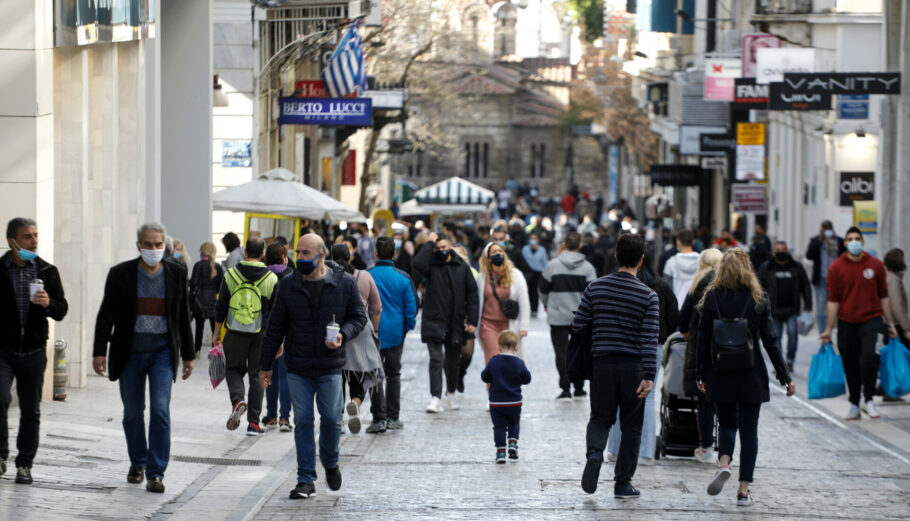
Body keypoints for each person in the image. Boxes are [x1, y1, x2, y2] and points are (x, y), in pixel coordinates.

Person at [259, 233, 366, 500]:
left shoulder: (343, 282)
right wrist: (265, 365)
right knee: (303, 421)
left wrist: (344, 334)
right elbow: (275, 327)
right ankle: (305, 479)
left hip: (331, 364)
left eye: (306, 253)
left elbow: (359, 316)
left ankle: (330, 461)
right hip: (298, 365)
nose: (300, 258)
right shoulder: (288, 285)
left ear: (321, 255)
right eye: (298, 253)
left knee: (331, 418)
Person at [92, 222, 194, 493]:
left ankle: (155, 472)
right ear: (139, 246)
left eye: (158, 244)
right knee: (132, 413)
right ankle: (138, 461)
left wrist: (189, 355)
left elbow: (183, 316)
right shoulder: (120, 274)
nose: (153, 249)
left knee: (160, 411)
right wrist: (99, 351)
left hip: (162, 352)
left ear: (165, 246)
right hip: (130, 353)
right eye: (148, 244)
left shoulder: (176, 273)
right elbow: (106, 314)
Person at [697, 248, 795, 507]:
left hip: (719, 372)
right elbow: (771, 341)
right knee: (750, 431)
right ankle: (743, 492)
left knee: (727, 424)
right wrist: (784, 377)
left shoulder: (712, 297)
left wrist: (700, 373)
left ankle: (724, 463)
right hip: (750, 373)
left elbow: (703, 339)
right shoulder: (758, 298)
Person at [575, 233, 658, 498]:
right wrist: (649, 374)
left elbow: (578, 324)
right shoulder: (648, 296)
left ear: (616, 256)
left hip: (602, 363)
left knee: (600, 417)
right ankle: (623, 483)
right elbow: (649, 338)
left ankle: (596, 453)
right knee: (631, 425)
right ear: (641, 260)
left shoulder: (595, 288)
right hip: (633, 367)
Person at [0, 218, 68, 485]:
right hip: (2, 349)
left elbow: (62, 310)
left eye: (36, 235)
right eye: (27, 237)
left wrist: (49, 303)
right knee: (0, 400)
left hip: (34, 350)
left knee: (31, 410)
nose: (34, 241)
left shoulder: (48, 271)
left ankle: (24, 464)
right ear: (12, 242)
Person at [605, 249, 677, 466]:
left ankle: (616, 450)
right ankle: (645, 452)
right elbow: (674, 316)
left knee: (619, 397)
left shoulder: (612, 284)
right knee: (648, 397)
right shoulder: (660, 286)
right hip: (653, 344)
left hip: (623, 344)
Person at [819, 227, 900, 420]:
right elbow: (833, 301)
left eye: (857, 238)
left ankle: (869, 399)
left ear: (863, 242)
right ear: (845, 243)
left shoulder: (875, 265)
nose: (854, 241)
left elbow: (884, 297)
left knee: (869, 359)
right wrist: (829, 329)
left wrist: (891, 324)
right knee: (851, 363)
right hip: (846, 322)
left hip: (872, 321)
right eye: (850, 239)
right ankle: (854, 403)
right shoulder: (836, 267)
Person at [213, 237, 279, 436]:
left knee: (233, 369)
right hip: (262, 334)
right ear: (262, 254)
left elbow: (221, 305)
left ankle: (237, 400)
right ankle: (254, 424)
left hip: (234, 331)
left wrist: (217, 331)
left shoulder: (231, 274)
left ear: (245, 252)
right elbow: (276, 312)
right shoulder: (271, 278)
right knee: (257, 375)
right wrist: (278, 339)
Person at [412, 232, 479, 413]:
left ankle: (451, 392)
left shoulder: (462, 267)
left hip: (456, 321)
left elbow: (472, 295)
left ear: (449, 246)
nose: (441, 251)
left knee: (452, 360)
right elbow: (417, 264)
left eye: (444, 247)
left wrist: (472, 320)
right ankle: (435, 397)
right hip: (434, 319)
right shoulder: (431, 265)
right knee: (436, 359)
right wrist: (429, 243)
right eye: (437, 248)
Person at [329, 245, 384, 435]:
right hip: (361, 331)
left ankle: (340, 421)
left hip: (335, 331)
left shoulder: (328, 275)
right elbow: (376, 308)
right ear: (350, 257)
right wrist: (374, 330)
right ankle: (356, 403)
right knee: (360, 375)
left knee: (337, 378)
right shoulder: (365, 277)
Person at [539, 231, 597, 400]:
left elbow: (542, 289)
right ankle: (579, 386)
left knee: (561, 352)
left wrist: (546, 303)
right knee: (580, 351)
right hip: (581, 316)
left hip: (557, 314)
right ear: (579, 245)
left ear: (563, 244)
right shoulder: (588, 268)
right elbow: (593, 293)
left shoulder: (552, 266)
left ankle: (565, 388)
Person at [678, 248, 723, 464]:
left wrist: (687, 333)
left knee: (704, 399)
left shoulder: (697, 286)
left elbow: (683, 318)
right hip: (727, 349)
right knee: (725, 400)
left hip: (701, 348)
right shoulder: (728, 284)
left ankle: (706, 448)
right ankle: (725, 449)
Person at [369, 237, 418, 431]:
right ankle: (393, 416)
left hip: (373, 332)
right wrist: (406, 328)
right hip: (396, 331)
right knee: (394, 374)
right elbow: (412, 306)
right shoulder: (403, 278)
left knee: (374, 374)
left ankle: (378, 417)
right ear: (394, 253)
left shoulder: (367, 276)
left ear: (376, 254)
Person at [757, 241, 812, 371]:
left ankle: (790, 360)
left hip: (792, 309)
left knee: (793, 334)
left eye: (783, 249)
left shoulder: (796, 267)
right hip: (774, 311)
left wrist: (808, 305)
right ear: (773, 252)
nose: (781, 252)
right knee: (775, 338)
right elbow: (758, 286)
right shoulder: (767, 268)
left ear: (787, 251)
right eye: (778, 250)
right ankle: (780, 363)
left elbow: (805, 286)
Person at [480, 330, 531, 463]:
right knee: (514, 423)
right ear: (516, 347)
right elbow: (527, 379)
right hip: (514, 402)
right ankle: (513, 444)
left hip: (497, 403)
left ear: (499, 346)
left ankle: (501, 453)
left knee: (499, 426)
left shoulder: (494, 361)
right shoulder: (519, 363)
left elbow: (485, 377)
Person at [476, 242, 531, 364]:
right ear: (488, 258)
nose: (498, 254)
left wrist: (524, 326)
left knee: (510, 363)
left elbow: (524, 301)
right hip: (488, 325)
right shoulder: (482, 277)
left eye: (500, 251)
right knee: (494, 362)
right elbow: (477, 302)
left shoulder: (516, 275)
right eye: (494, 252)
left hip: (510, 326)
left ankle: (506, 384)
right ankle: (492, 384)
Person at [262, 242, 294, 432]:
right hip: (288, 331)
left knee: (269, 373)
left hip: (267, 331)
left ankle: (271, 415)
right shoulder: (292, 275)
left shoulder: (263, 275)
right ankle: (284, 418)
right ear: (283, 256)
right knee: (285, 375)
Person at [806, 221, 846, 331]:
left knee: (838, 306)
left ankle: (834, 327)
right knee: (821, 308)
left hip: (837, 280)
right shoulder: (816, 241)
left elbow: (845, 256)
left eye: (829, 228)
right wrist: (819, 241)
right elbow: (809, 255)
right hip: (821, 279)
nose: (827, 231)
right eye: (825, 228)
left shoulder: (839, 241)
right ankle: (823, 332)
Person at [189, 242, 223, 356]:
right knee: (215, 329)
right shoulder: (217, 266)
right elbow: (220, 286)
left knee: (199, 327)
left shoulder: (198, 265)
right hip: (213, 301)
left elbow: (193, 284)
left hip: (200, 301)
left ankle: (197, 350)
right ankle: (213, 351)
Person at [663, 229, 701, 309]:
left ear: (678, 242)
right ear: (693, 242)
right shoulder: (702, 262)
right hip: (697, 308)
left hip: (677, 307)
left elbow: (666, 289)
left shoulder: (671, 262)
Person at [884, 249, 910, 346]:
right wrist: (907, 328)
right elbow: (897, 306)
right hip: (896, 325)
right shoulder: (893, 280)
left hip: (891, 324)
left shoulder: (887, 276)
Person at [521, 233, 548, 317]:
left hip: (538, 273)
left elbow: (545, 263)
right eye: (531, 238)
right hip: (527, 273)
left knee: (535, 292)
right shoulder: (525, 249)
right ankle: (526, 309)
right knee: (526, 291)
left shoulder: (542, 250)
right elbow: (521, 261)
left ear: (538, 240)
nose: (532, 240)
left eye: (534, 238)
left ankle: (534, 309)